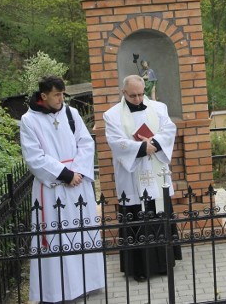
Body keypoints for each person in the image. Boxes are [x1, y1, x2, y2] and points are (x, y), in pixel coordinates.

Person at [20, 76, 104, 303]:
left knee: (81, 230)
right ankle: (57, 291)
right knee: (56, 236)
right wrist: (65, 174)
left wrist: (77, 172)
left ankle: (87, 282)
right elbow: (34, 156)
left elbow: (86, 143)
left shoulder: (71, 113)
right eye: (56, 95)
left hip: (78, 184)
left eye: (62, 94)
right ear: (43, 95)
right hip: (53, 188)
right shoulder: (29, 120)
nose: (60, 99)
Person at [103, 75, 181, 282]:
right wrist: (140, 147)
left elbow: (169, 129)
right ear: (124, 93)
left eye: (141, 94)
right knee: (136, 218)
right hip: (132, 174)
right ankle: (139, 268)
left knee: (159, 214)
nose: (138, 99)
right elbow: (116, 142)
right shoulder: (111, 115)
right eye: (133, 95)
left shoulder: (159, 107)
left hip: (156, 169)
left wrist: (153, 142)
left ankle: (164, 264)